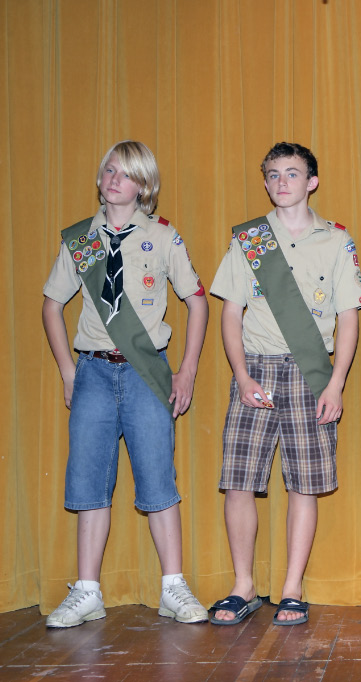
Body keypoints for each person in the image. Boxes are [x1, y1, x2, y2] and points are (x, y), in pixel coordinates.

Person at [42, 140, 210, 627]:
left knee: (158, 479)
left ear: (145, 186)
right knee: (89, 479)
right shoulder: (81, 239)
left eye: (127, 174)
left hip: (147, 371)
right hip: (93, 370)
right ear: (100, 178)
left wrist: (187, 369)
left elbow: (197, 301)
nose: (115, 180)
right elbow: (52, 305)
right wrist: (68, 370)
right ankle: (87, 591)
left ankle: (173, 586)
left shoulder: (163, 237)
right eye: (110, 170)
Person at [209, 142, 361, 626]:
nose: (282, 182)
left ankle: (292, 589)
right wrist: (241, 375)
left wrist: (336, 383)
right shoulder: (249, 240)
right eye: (273, 174)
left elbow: (349, 317)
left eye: (292, 173)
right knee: (239, 481)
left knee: (304, 484)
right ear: (265, 181)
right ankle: (243, 586)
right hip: (255, 369)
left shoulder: (336, 241)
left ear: (312, 181)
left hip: (311, 372)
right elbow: (230, 312)